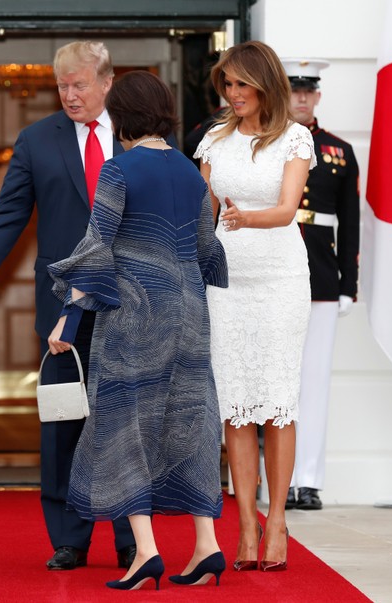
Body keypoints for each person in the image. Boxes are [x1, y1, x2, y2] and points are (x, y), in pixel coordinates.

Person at [0, 41, 136, 571]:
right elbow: (9, 215)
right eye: (62, 85)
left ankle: (132, 540)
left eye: (80, 84)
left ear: (107, 82)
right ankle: (69, 539)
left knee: (124, 422)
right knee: (64, 420)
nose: (70, 95)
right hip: (63, 312)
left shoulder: (140, 135)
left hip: (129, 303)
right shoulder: (37, 140)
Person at [46, 70, 228, 591]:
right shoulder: (193, 174)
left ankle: (146, 552)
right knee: (188, 423)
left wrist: (70, 314)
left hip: (134, 314)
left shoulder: (119, 170)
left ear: (122, 115)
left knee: (124, 426)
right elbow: (205, 249)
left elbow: (95, 246)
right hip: (190, 313)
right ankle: (206, 546)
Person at [194, 40, 315, 573]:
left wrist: (246, 219)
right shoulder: (213, 141)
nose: (234, 93)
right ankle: (245, 524)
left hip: (281, 280)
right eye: (228, 84)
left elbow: (288, 209)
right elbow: (204, 216)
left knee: (277, 400)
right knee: (236, 406)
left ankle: (279, 520)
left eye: (243, 84)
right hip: (226, 285)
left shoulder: (295, 138)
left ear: (266, 85)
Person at [280, 58, 360, 511]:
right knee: (274, 382)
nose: (302, 98)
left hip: (322, 277)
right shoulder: (266, 144)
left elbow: (350, 224)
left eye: (309, 91)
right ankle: (275, 483)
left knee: (314, 381)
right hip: (274, 271)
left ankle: (308, 481)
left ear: (318, 96)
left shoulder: (340, 151)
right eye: (294, 90)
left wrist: (349, 283)